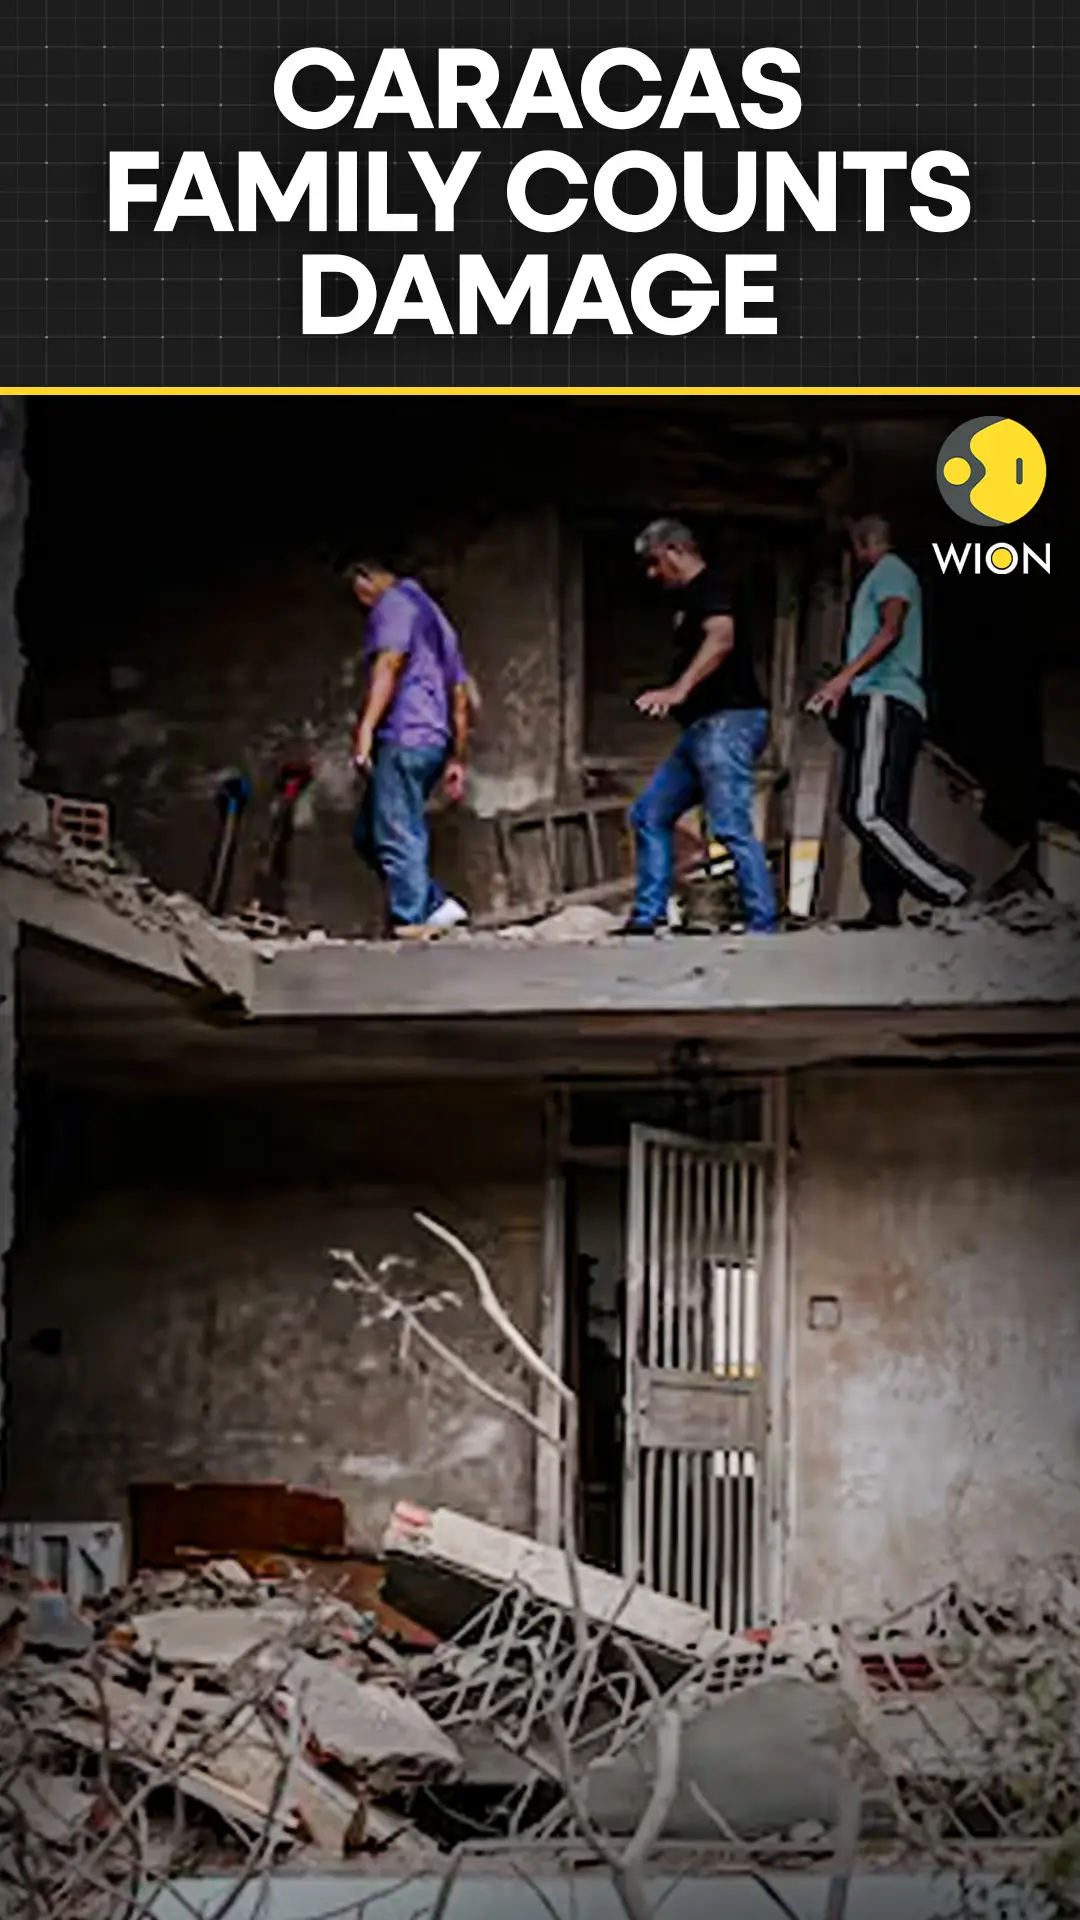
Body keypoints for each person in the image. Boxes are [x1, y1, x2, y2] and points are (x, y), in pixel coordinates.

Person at [806, 515, 971, 929]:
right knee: (878, 809)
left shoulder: (890, 572)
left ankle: (950, 887)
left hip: (885, 695)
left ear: (862, 543)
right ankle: (882, 909)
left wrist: (843, 679)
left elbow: (892, 628)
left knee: (867, 811)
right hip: (886, 699)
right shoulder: (888, 574)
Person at [625, 517, 778, 935]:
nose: (654, 574)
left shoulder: (711, 588)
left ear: (675, 551)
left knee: (729, 825)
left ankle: (762, 922)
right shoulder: (689, 599)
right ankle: (648, 916)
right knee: (649, 813)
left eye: (656, 563)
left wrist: (678, 690)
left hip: (730, 722)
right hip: (701, 730)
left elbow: (722, 638)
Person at [348, 558, 471, 939]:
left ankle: (411, 921)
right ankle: (434, 904)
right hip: (433, 740)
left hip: (404, 735)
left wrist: (365, 728)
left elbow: (390, 662)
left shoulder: (394, 604)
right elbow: (461, 693)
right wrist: (456, 755)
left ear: (368, 578)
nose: (363, 606)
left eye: (360, 595)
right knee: (369, 833)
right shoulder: (437, 619)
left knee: (398, 833)